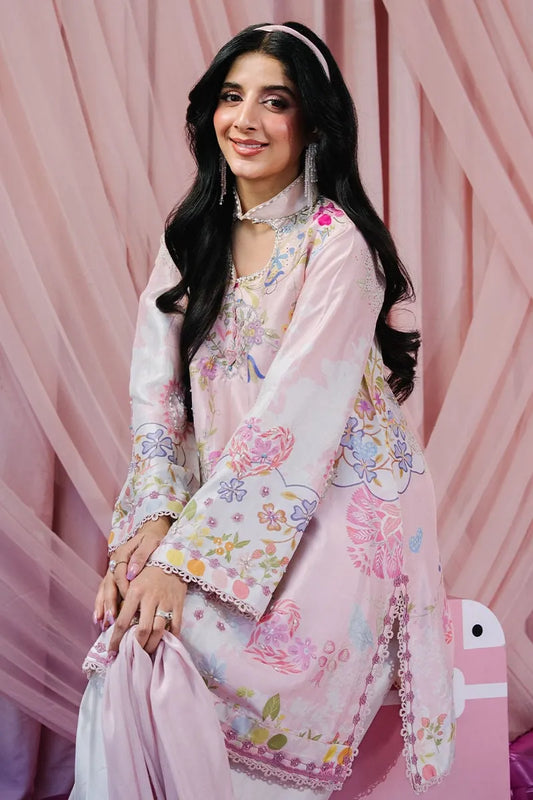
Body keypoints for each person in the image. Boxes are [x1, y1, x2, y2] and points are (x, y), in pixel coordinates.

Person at [70, 21, 455, 800]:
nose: (244, 120)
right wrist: (150, 530)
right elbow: (157, 400)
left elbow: (294, 418)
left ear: (312, 123)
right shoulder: (190, 239)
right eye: (230, 96)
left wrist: (183, 563)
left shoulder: (337, 245)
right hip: (228, 511)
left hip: (340, 516)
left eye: (274, 102)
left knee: (173, 640)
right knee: (131, 637)